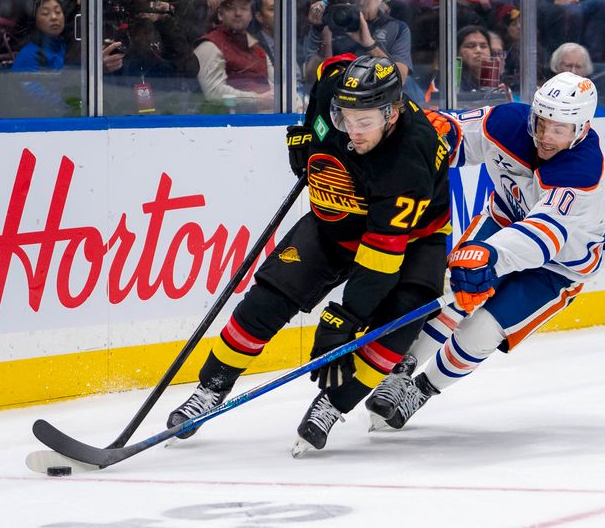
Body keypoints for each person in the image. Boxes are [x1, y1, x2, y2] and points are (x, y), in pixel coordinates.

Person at [166, 54, 452, 455]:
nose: (352, 132)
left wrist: (345, 318)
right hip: (334, 222)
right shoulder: (335, 87)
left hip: (412, 242)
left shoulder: (409, 160)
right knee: (264, 302)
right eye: (344, 118)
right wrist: (306, 133)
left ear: (393, 113)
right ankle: (211, 388)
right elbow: (327, 70)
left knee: (393, 329)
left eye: (365, 122)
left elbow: (380, 263)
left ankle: (332, 406)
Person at [364, 72, 605, 431]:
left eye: (559, 130)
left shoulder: (583, 172)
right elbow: (458, 136)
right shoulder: (510, 122)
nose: (545, 136)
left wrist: (491, 256)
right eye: (541, 123)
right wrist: (432, 134)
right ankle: (402, 367)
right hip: (504, 221)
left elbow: (543, 236)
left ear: (582, 129)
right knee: (454, 290)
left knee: (481, 328)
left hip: (559, 264)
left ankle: (422, 389)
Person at [302, 0, 414, 91]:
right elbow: (313, 78)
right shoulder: (330, 22)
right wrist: (325, 38)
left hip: (378, 101)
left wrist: (370, 45)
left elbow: (400, 79)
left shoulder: (397, 28)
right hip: (336, 100)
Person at [193, 0, 274, 112]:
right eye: (231, 8)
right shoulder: (209, 45)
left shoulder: (258, 50)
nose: (238, 13)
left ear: (251, 15)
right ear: (220, 14)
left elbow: (277, 88)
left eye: (244, 8)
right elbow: (214, 93)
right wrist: (257, 100)